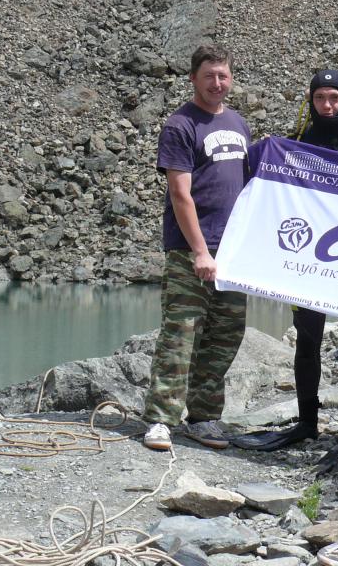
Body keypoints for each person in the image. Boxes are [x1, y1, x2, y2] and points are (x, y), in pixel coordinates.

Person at [232, 70, 338, 452]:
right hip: (309, 255)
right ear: (309, 102)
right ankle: (307, 422)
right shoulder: (294, 143)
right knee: (306, 339)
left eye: (334, 98)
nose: (327, 106)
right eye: (320, 98)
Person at [143, 43, 251, 452]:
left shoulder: (239, 124)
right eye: (209, 75)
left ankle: (205, 417)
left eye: (223, 75)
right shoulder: (180, 126)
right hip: (192, 252)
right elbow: (179, 193)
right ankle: (159, 419)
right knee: (181, 335)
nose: (217, 83)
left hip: (233, 253)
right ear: (194, 78)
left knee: (224, 337)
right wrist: (200, 251)